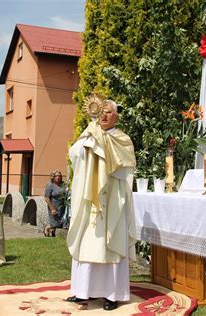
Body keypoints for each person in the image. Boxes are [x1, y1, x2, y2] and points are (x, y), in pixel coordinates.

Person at [66, 100, 136, 311]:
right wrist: (88, 144)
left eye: (109, 113)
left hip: (112, 199)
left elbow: (125, 169)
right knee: (87, 244)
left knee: (109, 246)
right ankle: (82, 291)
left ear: (116, 116)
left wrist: (100, 146)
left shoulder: (123, 139)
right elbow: (74, 155)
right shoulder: (89, 133)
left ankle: (111, 295)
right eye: (102, 113)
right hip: (90, 199)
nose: (104, 116)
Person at [43, 170, 67, 237]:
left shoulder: (63, 184)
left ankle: (53, 232)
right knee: (55, 224)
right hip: (53, 206)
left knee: (61, 223)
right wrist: (52, 208)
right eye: (56, 176)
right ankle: (46, 228)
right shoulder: (50, 185)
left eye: (59, 176)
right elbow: (46, 197)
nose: (58, 177)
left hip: (62, 207)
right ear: (53, 177)